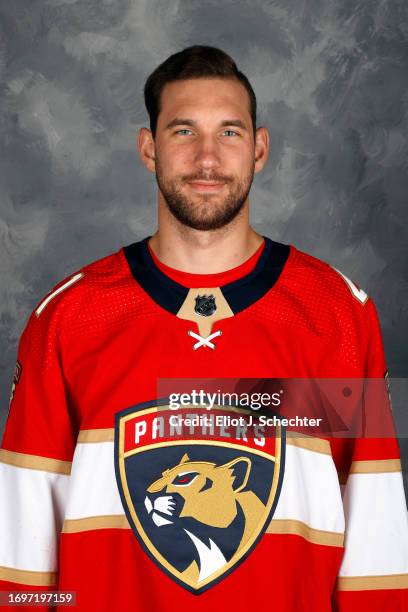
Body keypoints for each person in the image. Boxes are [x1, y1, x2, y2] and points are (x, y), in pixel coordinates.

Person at [0, 45, 407, 611]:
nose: (208, 158)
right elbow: (21, 545)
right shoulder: (70, 317)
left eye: (230, 133)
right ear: (149, 148)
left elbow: (373, 528)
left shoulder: (336, 313)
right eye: (184, 131)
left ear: (260, 148)